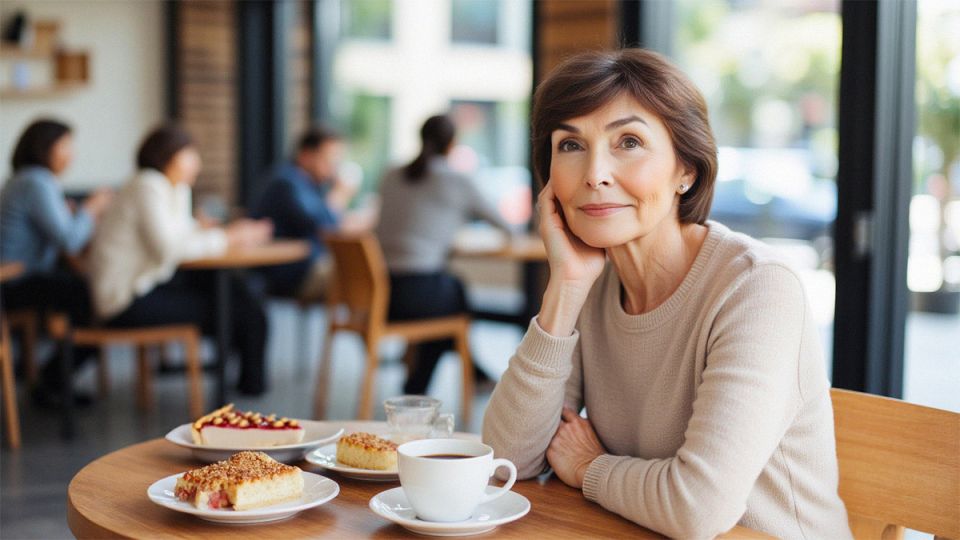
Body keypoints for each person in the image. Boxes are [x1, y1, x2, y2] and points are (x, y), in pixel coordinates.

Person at [482, 50, 851, 539]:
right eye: (570, 145)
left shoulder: (756, 288)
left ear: (687, 170)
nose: (595, 173)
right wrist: (565, 289)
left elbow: (697, 508)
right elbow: (507, 461)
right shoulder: (591, 281)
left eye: (628, 141)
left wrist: (591, 468)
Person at [86, 123, 274, 395]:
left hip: (149, 285)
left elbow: (183, 235)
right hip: (125, 299)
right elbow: (170, 249)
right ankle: (243, 390)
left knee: (236, 296)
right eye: (191, 155)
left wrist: (220, 232)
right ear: (168, 155)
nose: (197, 163)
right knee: (231, 307)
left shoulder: (173, 189)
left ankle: (245, 384)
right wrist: (227, 238)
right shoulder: (147, 185)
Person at [376, 114, 512, 395]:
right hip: (416, 294)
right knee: (453, 300)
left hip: (378, 290)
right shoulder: (456, 180)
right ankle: (422, 387)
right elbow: (503, 224)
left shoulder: (391, 174)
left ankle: (459, 374)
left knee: (452, 292)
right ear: (452, 144)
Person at [0, 119, 112, 404]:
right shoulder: (37, 181)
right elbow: (70, 240)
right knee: (91, 300)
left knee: (81, 292)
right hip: (14, 281)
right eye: (66, 146)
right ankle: (51, 382)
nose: (71, 154)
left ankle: (49, 378)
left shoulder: (23, 179)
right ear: (45, 148)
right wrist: (91, 208)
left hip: (20, 278)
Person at [252, 126, 372, 299]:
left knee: (367, 271)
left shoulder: (309, 185)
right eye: (329, 161)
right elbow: (326, 225)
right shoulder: (288, 183)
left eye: (337, 162)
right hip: (292, 273)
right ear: (306, 156)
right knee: (367, 276)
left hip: (305, 267)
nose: (333, 169)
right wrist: (340, 194)